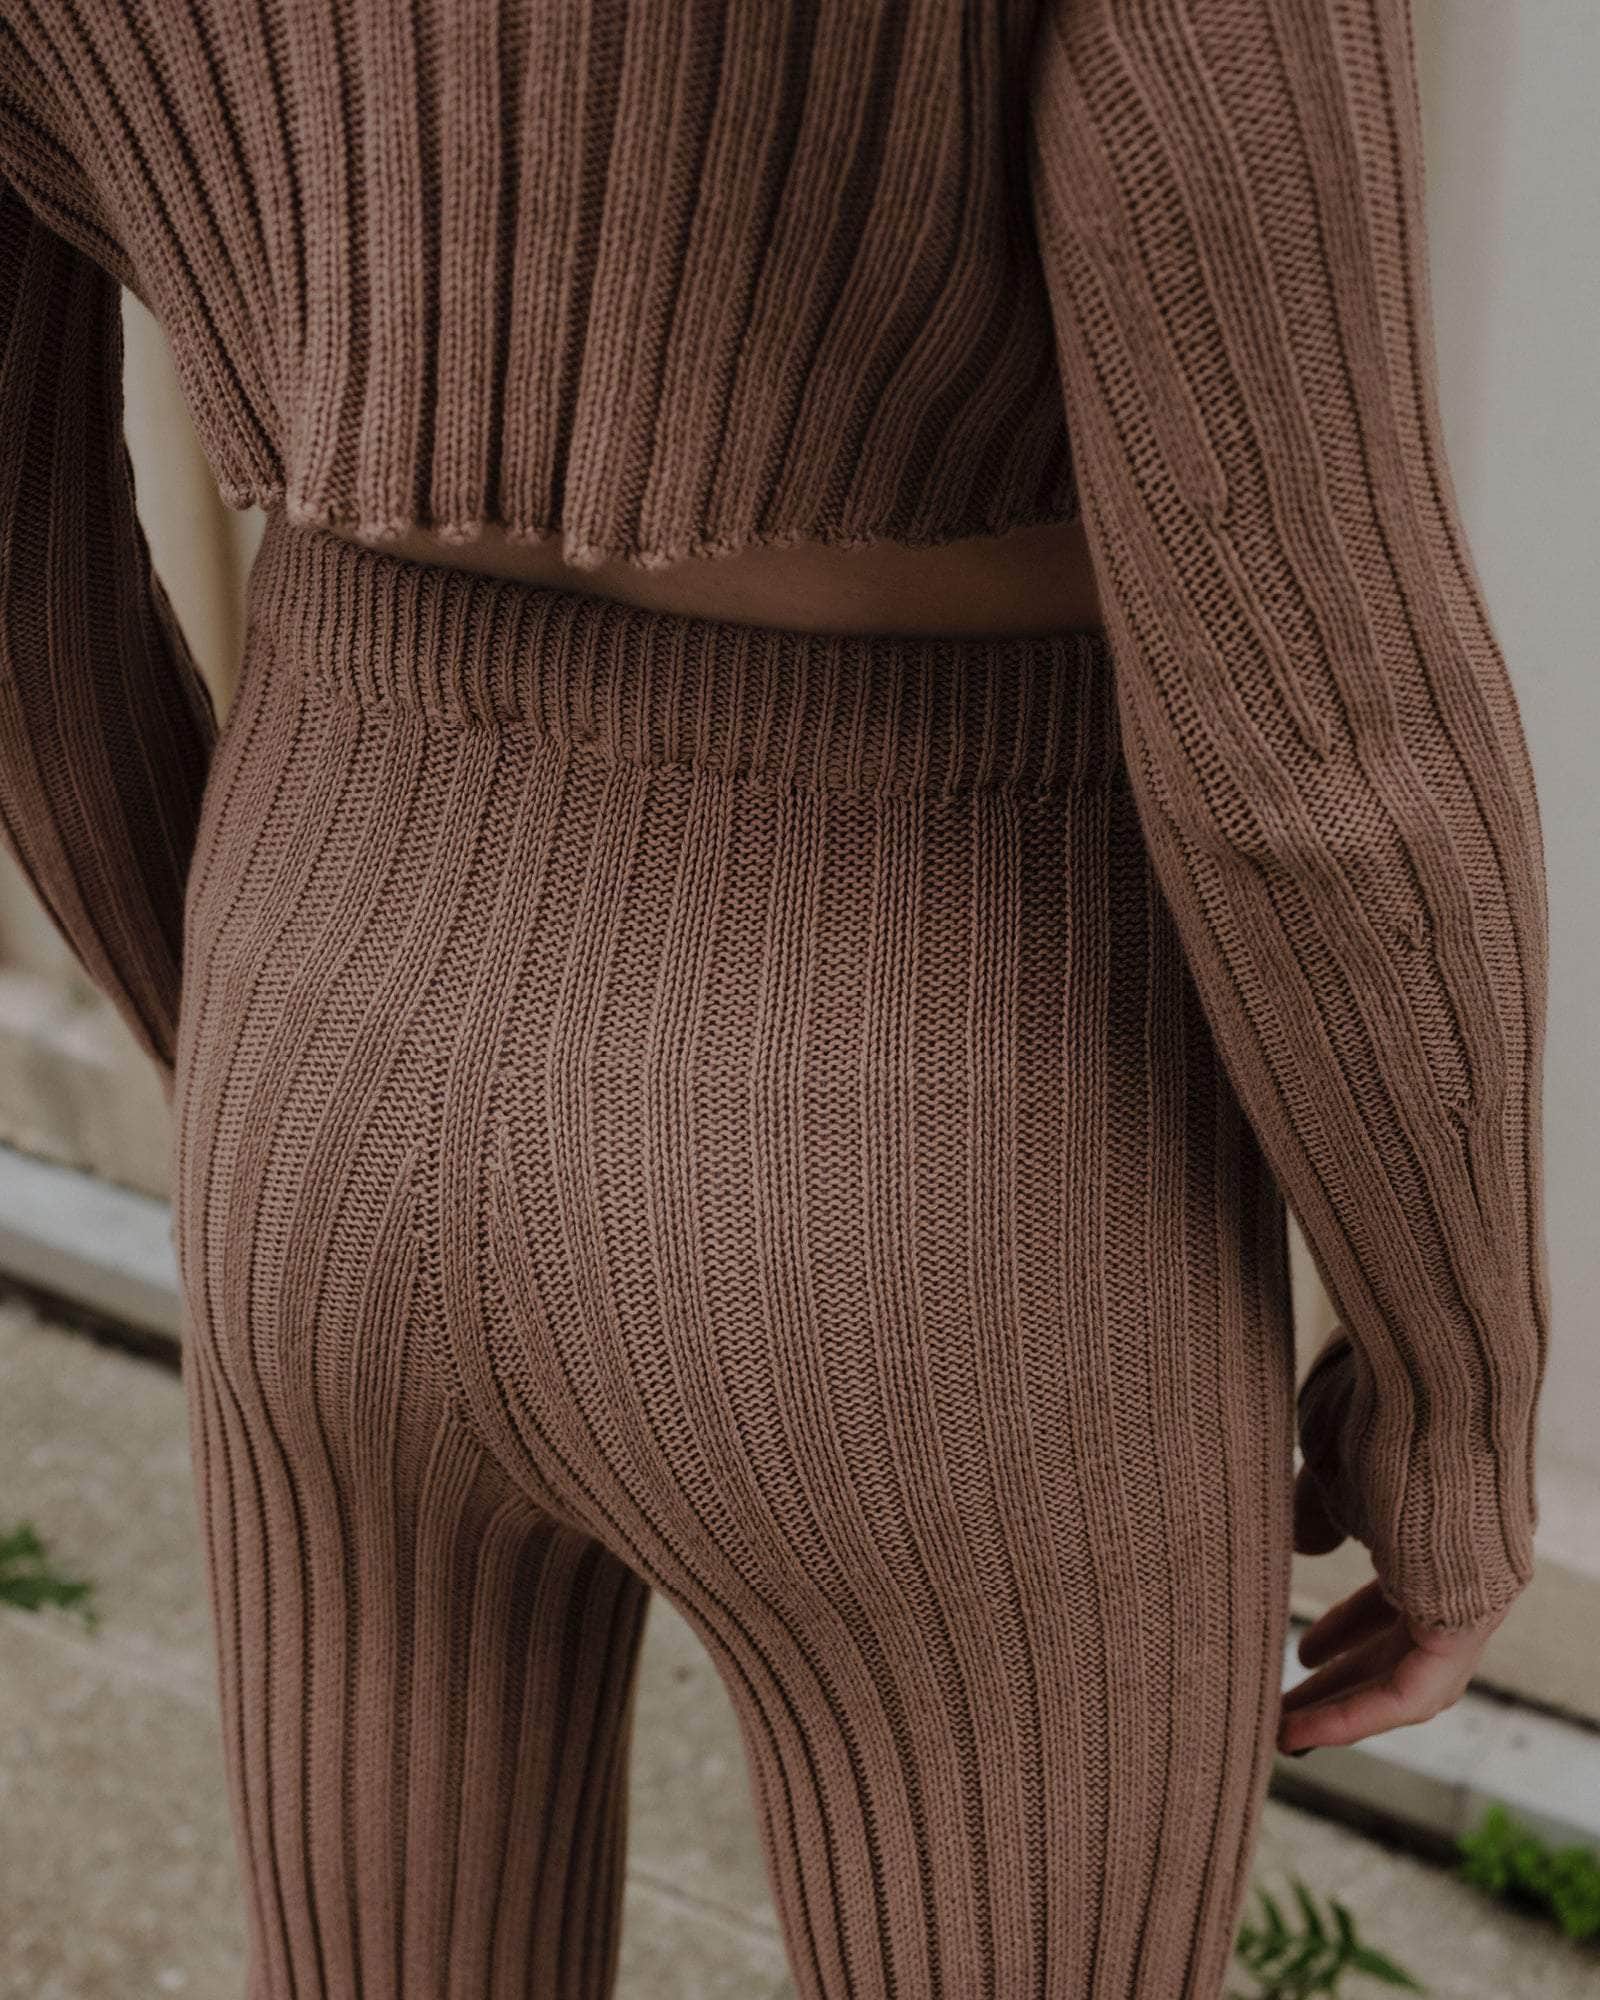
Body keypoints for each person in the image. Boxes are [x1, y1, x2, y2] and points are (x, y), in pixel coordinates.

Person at [0, 2, 1551, 1996]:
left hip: (323, 1000)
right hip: (944, 1128)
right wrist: (1446, 1385)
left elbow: (20, 593)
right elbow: (1310, 726)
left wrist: (239, 1044)